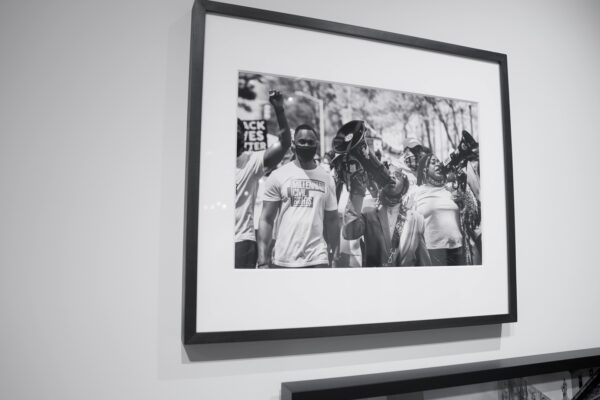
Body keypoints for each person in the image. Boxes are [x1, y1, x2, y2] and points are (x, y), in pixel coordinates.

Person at [257, 125, 339, 268]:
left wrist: (335, 255)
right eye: (302, 141)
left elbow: (332, 220)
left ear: (316, 145)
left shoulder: (327, 179)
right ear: (293, 145)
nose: (306, 145)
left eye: (310, 142)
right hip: (283, 258)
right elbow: (266, 219)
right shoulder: (278, 176)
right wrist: (263, 259)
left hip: (317, 259)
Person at [235, 90, 291, 268]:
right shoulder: (210, 163)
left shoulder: (251, 161)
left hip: (241, 241)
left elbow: (284, 144)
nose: (235, 134)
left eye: (239, 130)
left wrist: (279, 110)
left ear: (244, 137)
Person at [342, 166, 431, 267]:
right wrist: (357, 191)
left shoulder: (416, 219)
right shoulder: (368, 214)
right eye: (388, 175)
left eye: (397, 175)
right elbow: (348, 233)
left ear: (404, 186)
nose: (392, 177)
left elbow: (423, 261)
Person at [413, 154, 465, 266]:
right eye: (433, 162)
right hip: (433, 252)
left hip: (458, 249)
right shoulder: (416, 193)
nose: (438, 164)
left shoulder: (450, 190)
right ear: (424, 170)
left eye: (438, 161)